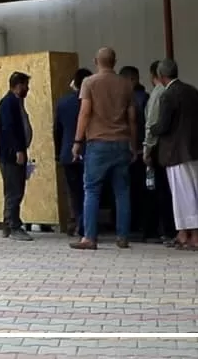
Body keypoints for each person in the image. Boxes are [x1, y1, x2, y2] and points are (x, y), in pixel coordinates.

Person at [71, 47, 137, 250]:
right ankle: (123, 236)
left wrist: (77, 141)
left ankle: (89, 237)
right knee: (122, 192)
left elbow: (84, 113)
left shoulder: (89, 83)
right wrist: (133, 144)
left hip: (97, 143)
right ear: (115, 61)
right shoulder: (126, 84)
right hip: (121, 143)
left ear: (95, 61)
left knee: (91, 190)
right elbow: (132, 117)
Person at [151, 58, 198, 251]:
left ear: (161, 77)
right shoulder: (192, 91)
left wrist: (152, 128)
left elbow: (163, 125)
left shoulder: (168, 95)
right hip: (196, 149)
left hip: (177, 151)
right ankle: (183, 234)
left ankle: (196, 237)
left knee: (183, 194)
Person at [0, 72, 34, 242]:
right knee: (15, 190)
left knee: (12, 189)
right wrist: (18, 150)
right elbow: (8, 128)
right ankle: (14, 226)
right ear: (18, 85)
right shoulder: (9, 103)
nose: (28, 89)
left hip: (13, 152)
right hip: (11, 154)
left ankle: (7, 223)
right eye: (26, 85)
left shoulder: (16, 102)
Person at [142, 60, 177, 245]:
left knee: (161, 191)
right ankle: (168, 229)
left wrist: (147, 149)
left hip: (158, 148)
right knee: (165, 190)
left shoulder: (158, 94)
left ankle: (165, 230)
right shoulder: (164, 93)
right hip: (164, 148)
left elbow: (152, 124)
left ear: (153, 75)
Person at [54, 68, 92, 237]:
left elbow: (57, 130)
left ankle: (75, 221)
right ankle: (85, 224)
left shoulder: (63, 102)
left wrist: (58, 152)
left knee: (73, 191)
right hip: (88, 151)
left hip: (67, 152)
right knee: (89, 190)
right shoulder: (91, 101)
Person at [120, 66, 149, 237]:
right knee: (143, 191)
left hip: (132, 150)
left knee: (132, 190)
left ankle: (134, 226)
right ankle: (143, 227)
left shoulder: (132, 100)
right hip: (140, 149)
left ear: (132, 80)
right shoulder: (144, 98)